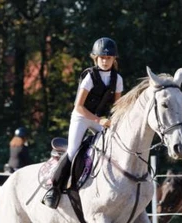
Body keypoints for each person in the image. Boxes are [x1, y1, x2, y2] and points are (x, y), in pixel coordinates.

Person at [42, 37, 124, 209]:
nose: (105, 61)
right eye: (102, 57)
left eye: (108, 58)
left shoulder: (118, 79)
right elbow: (78, 106)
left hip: (99, 119)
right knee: (72, 151)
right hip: (82, 116)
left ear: (113, 59)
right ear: (95, 58)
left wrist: (114, 121)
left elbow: (117, 107)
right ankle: (53, 188)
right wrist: (98, 120)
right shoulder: (89, 76)